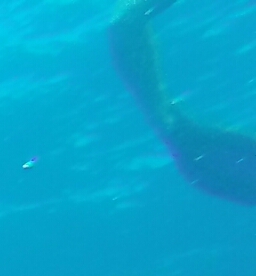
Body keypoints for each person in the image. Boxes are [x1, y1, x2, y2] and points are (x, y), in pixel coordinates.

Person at [109, 0, 256, 205]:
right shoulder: (199, 167)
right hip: (187, 143)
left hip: (186, 143)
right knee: (124, 23)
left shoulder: (197, 167)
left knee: (124, 23)